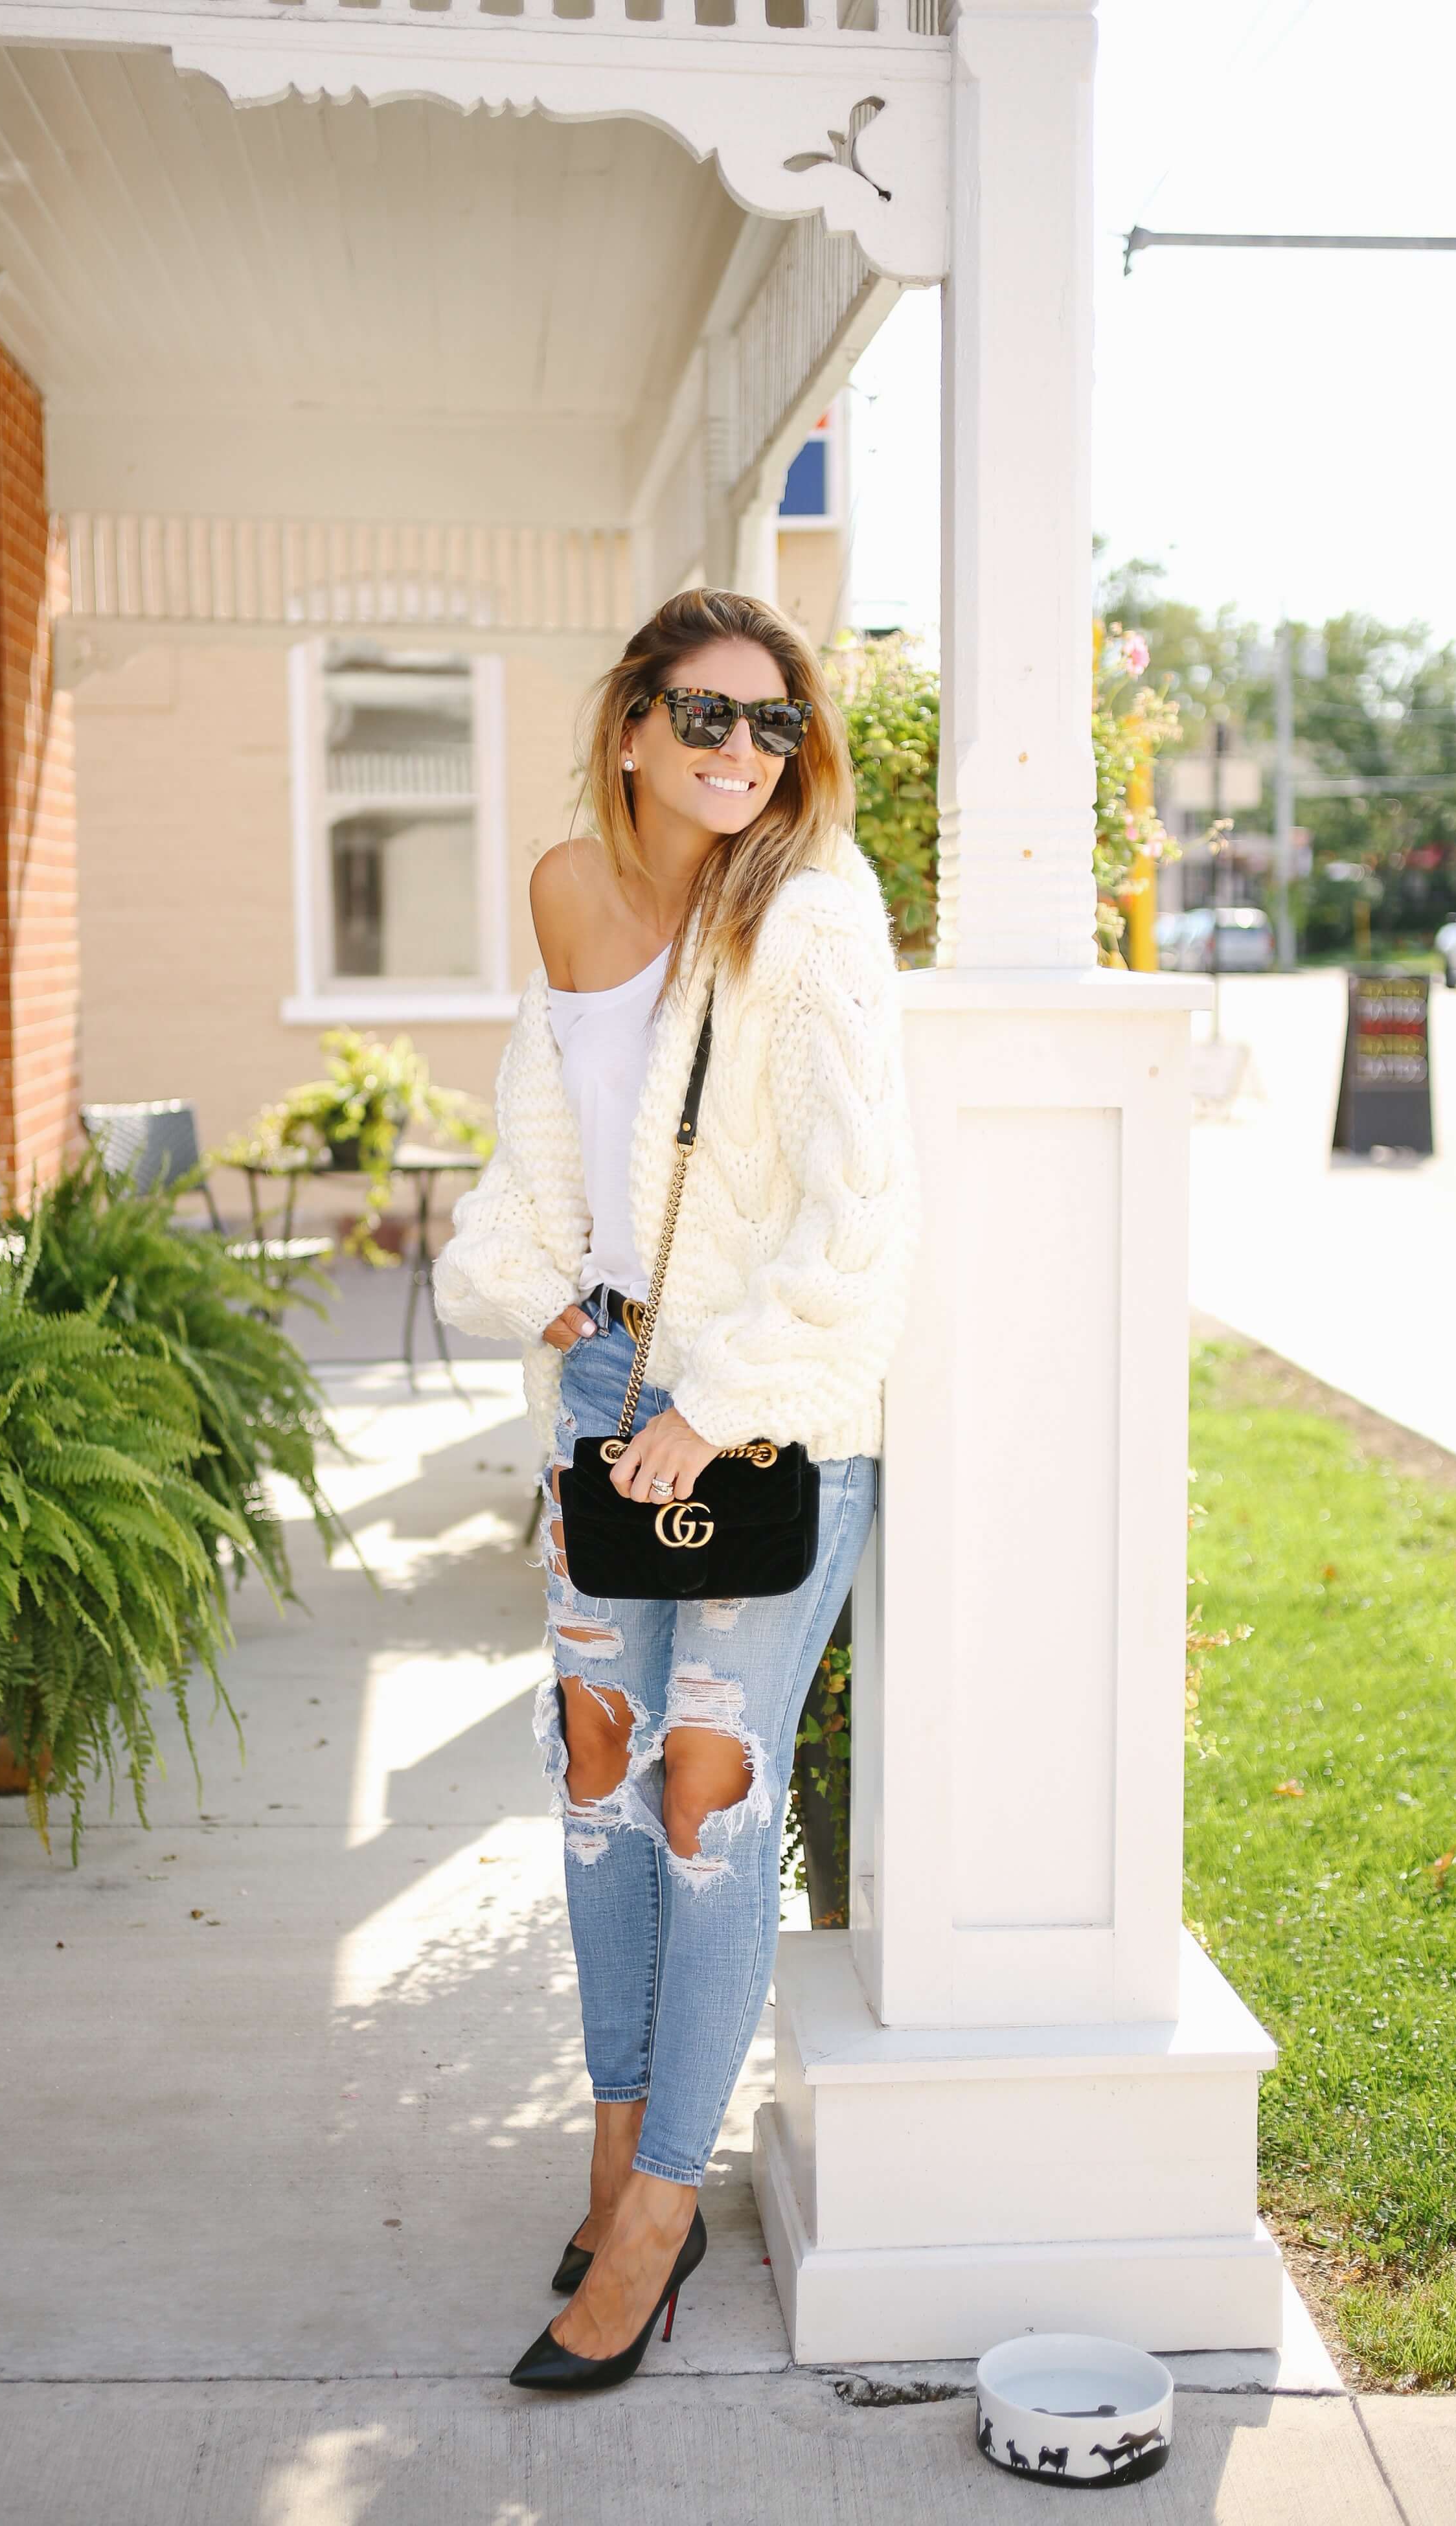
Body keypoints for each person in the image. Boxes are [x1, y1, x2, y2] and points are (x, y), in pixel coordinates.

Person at [433, 587, 916, 2390]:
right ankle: (614, 2140)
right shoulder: (570, 887)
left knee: (707, 1799)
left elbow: (861, 1218)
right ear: (631, 725)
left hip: (759, 1421)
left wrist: (710, 1404)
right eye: (705, 715)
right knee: (597, 1780)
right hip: (608, 1389)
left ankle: (660, 2211)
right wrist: (545, 1292)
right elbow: (543, 1137)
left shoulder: (814, 912)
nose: (742, 751)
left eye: (773, 721)